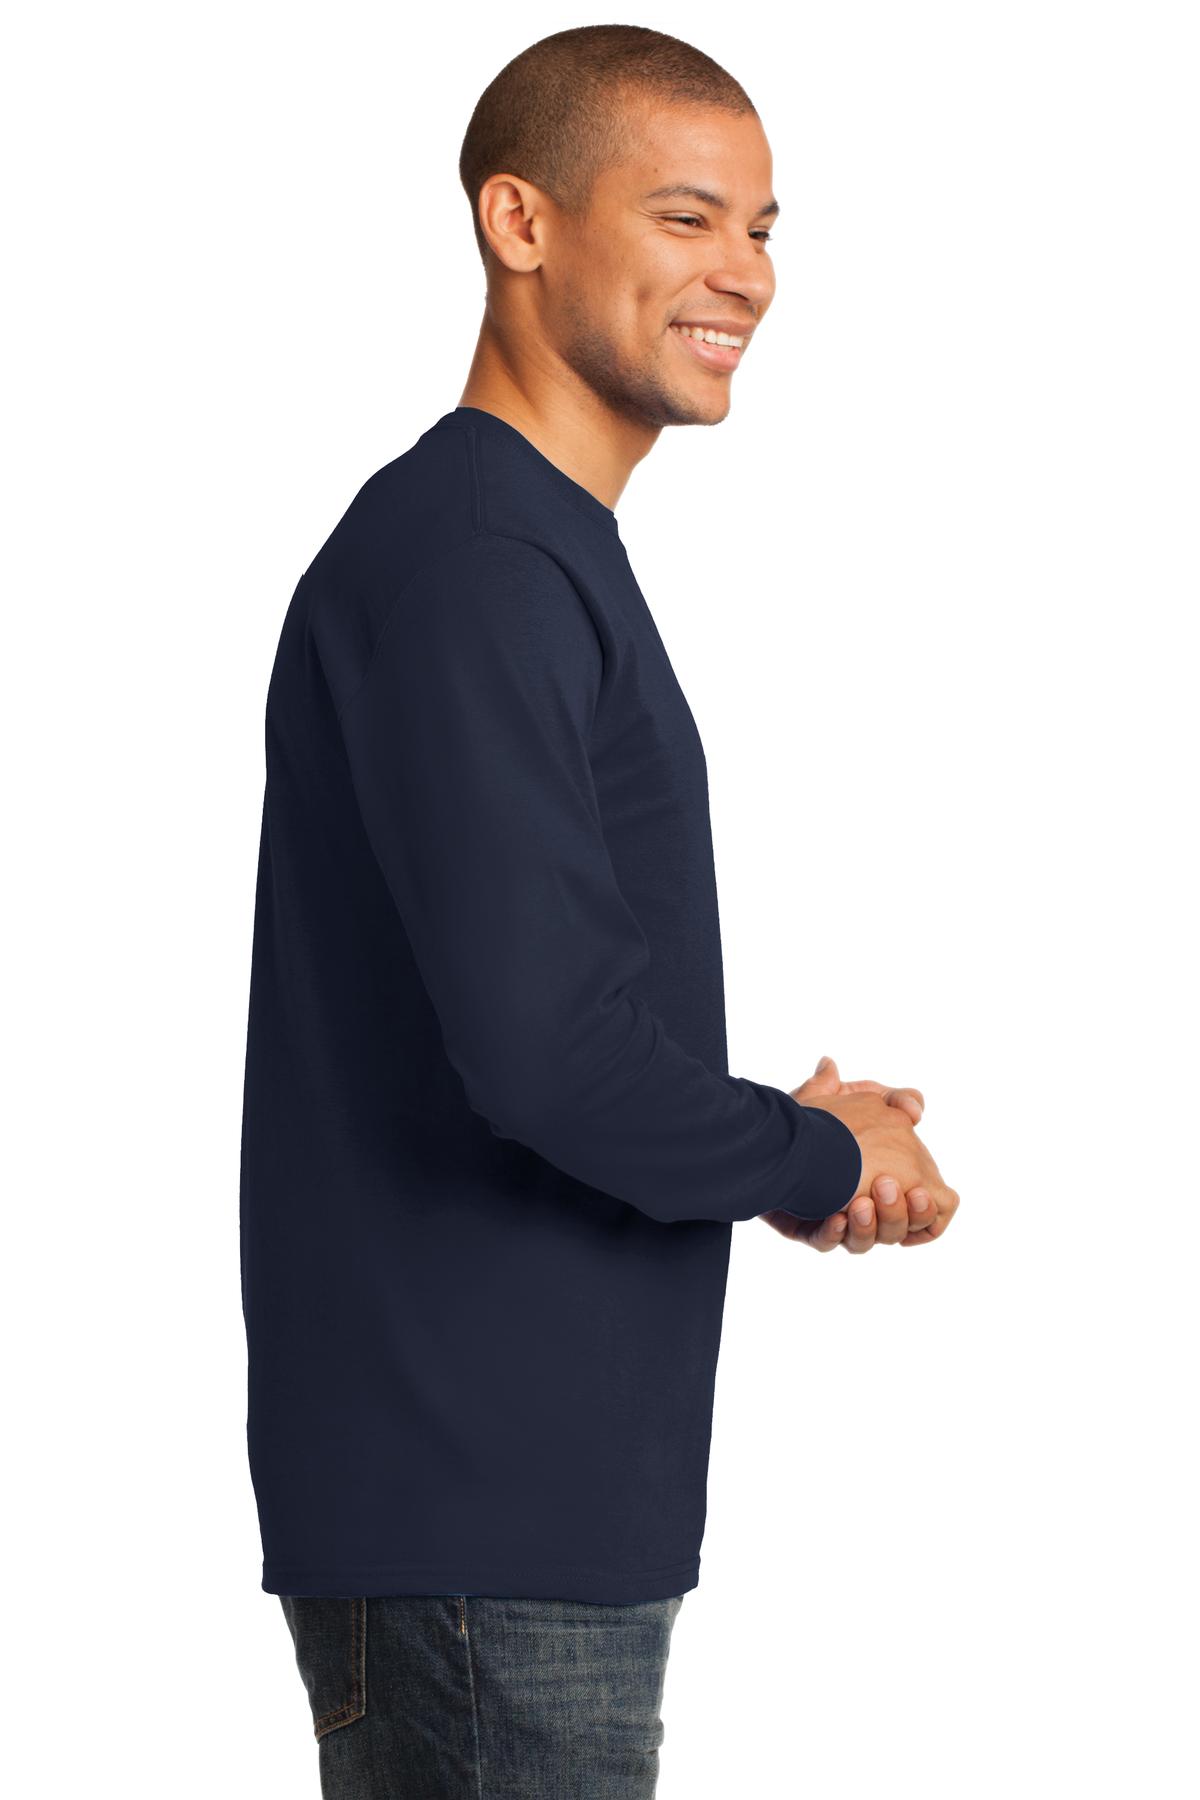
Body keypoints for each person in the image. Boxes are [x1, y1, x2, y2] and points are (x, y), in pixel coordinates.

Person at [239, 23, 960, 1799]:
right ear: (521, 222)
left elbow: (542, 1017)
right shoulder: (475, 560)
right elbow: (549, 1056)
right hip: (486, 1520)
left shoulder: (523, 550)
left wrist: (768, 1139)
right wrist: (815, 1155)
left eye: (765, 228)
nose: (747, 275)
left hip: (518, 1511)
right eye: (688, 217)